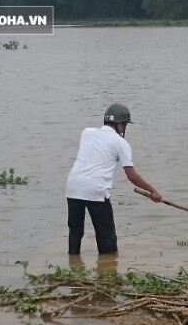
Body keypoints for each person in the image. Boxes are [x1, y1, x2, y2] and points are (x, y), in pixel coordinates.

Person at [66, 103, 162, 255]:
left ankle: (73, 262)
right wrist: (153, 191)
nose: (124, 129)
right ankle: (108, 268)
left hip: (73, 187)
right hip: (95, 190)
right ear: (119, 124)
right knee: (107, 238)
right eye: (125, 125)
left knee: (75, 231)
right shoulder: (120, 143)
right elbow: (132, 176)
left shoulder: (87, 132)